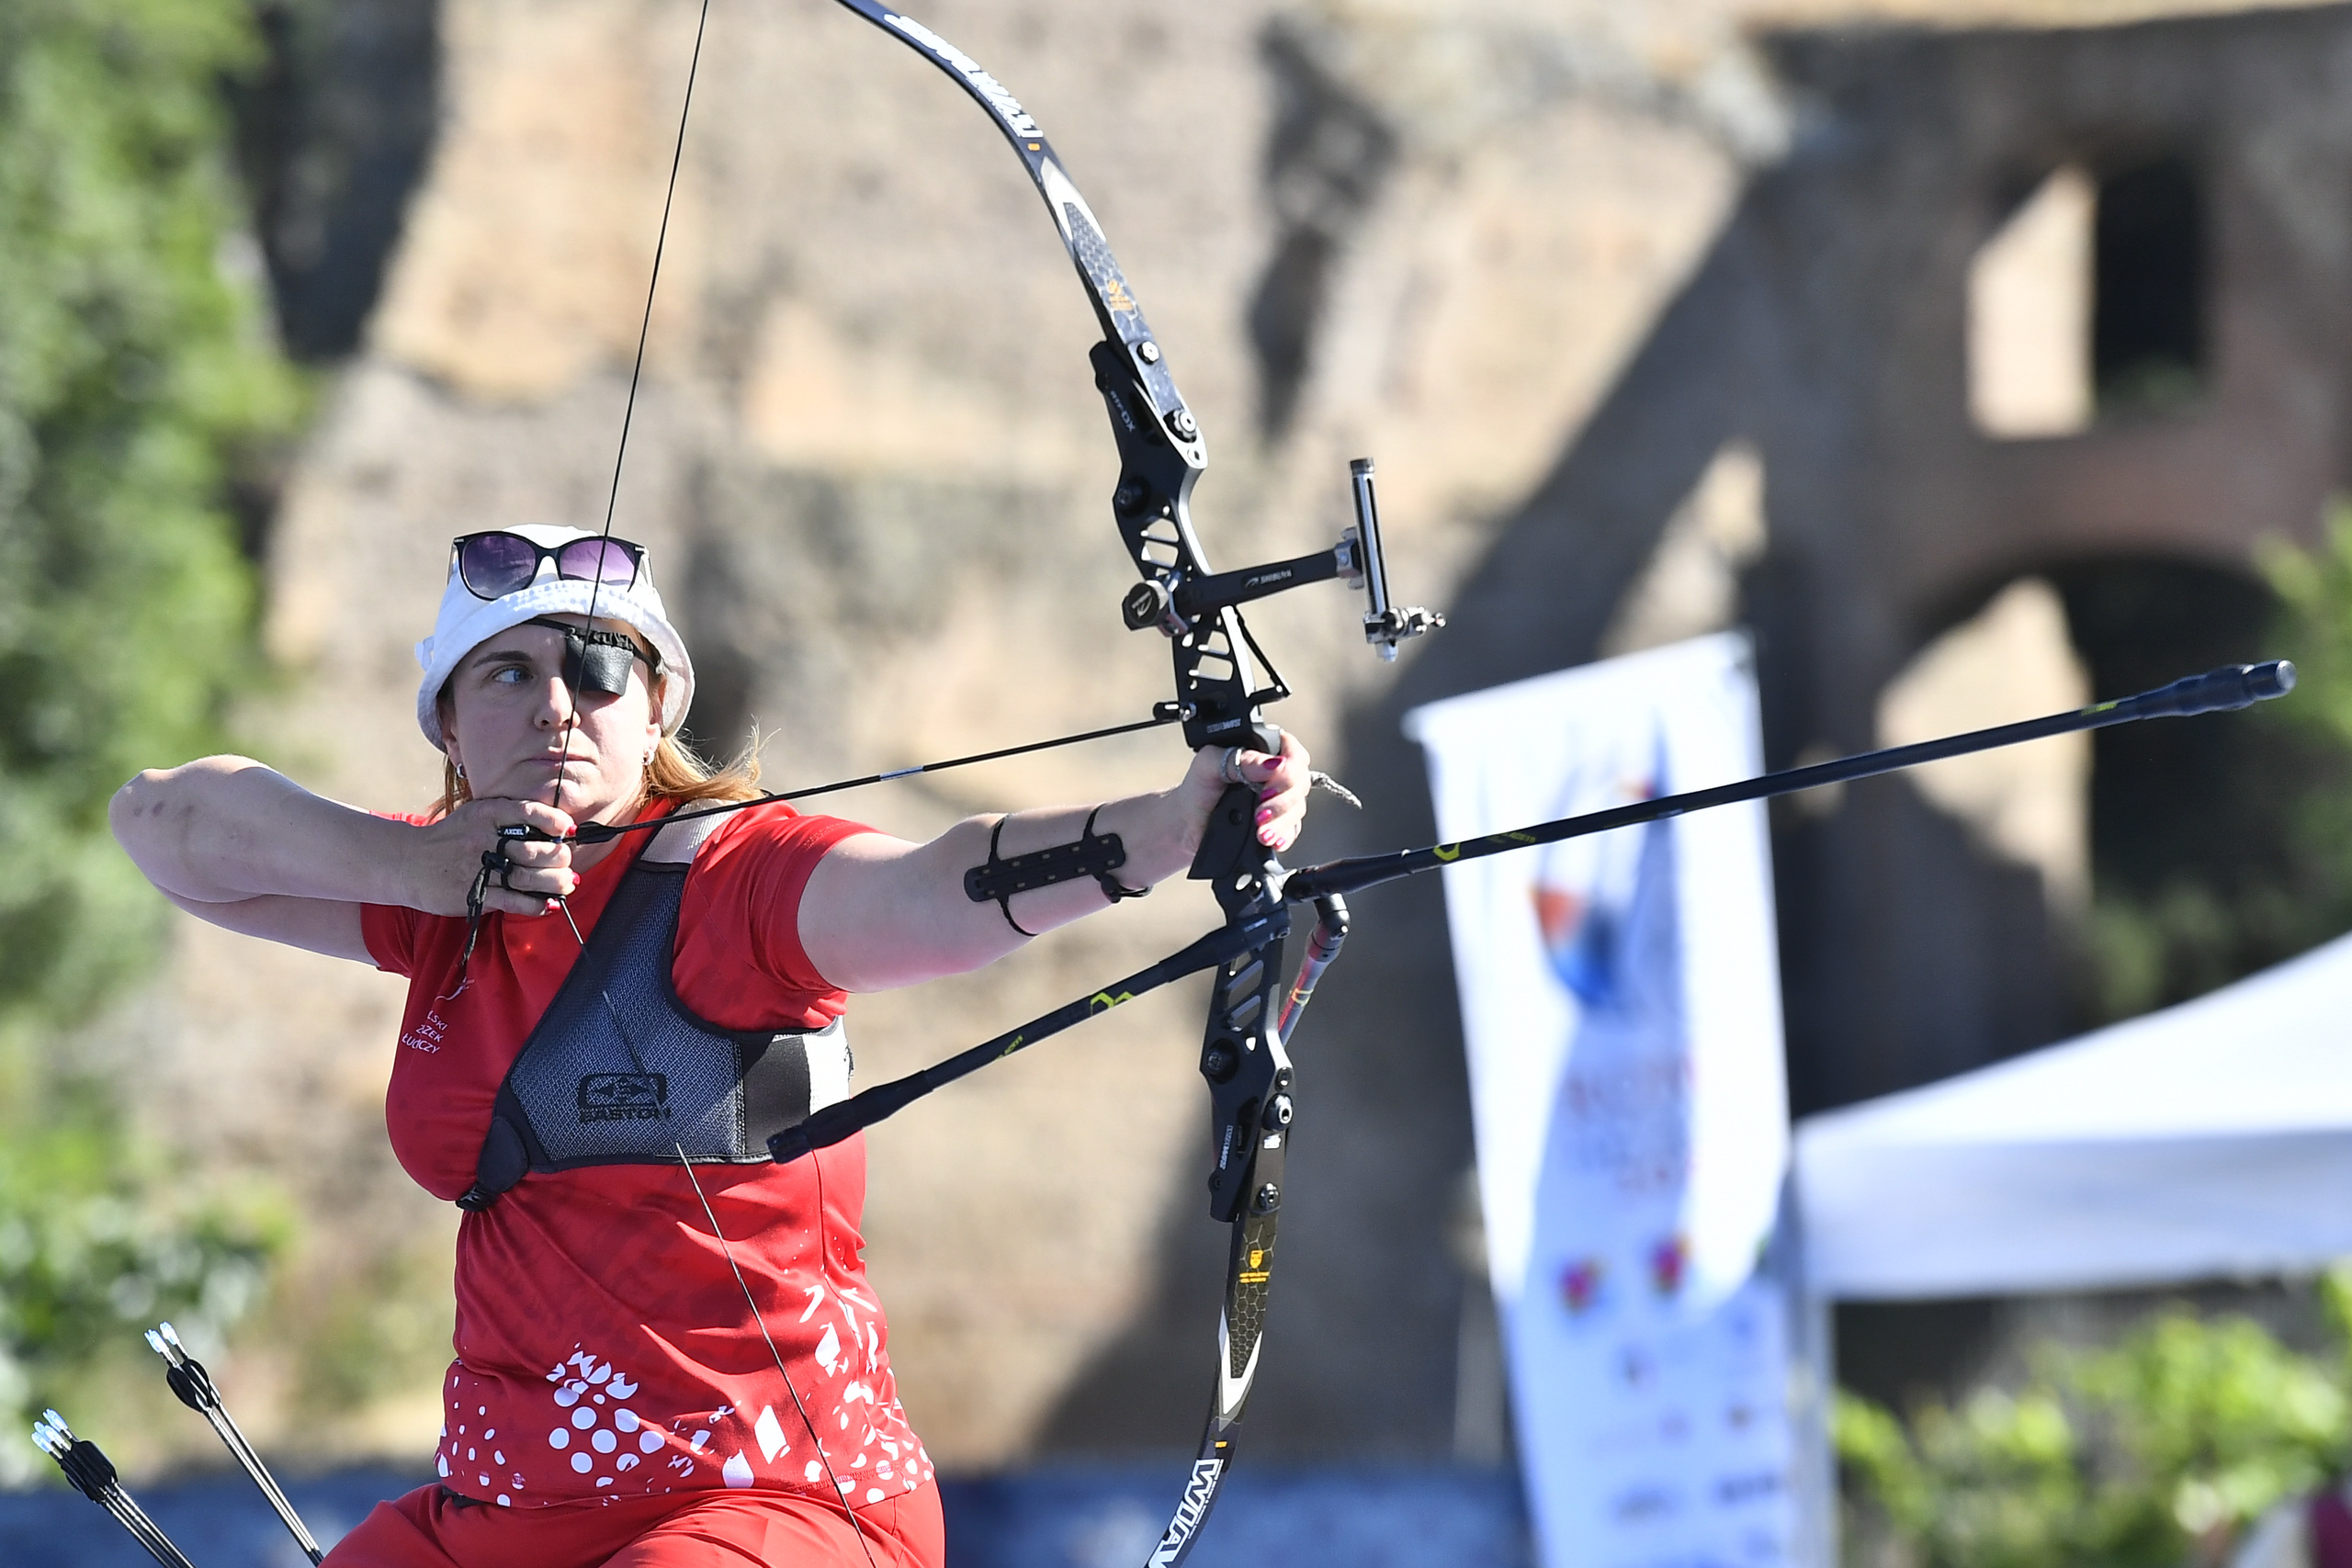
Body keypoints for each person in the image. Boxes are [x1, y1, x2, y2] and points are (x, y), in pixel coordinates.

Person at [109, 523, 1312, 1568]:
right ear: (450, 726)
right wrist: (411, 865)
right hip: (505, 1521)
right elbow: (161, 823)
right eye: (509, 671)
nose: (556, 703)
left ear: (655, 716)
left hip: (777, 1508)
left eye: (599, 668)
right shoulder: (437, 898)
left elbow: (935, 889)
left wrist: (1165, 831)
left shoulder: (735, 879)